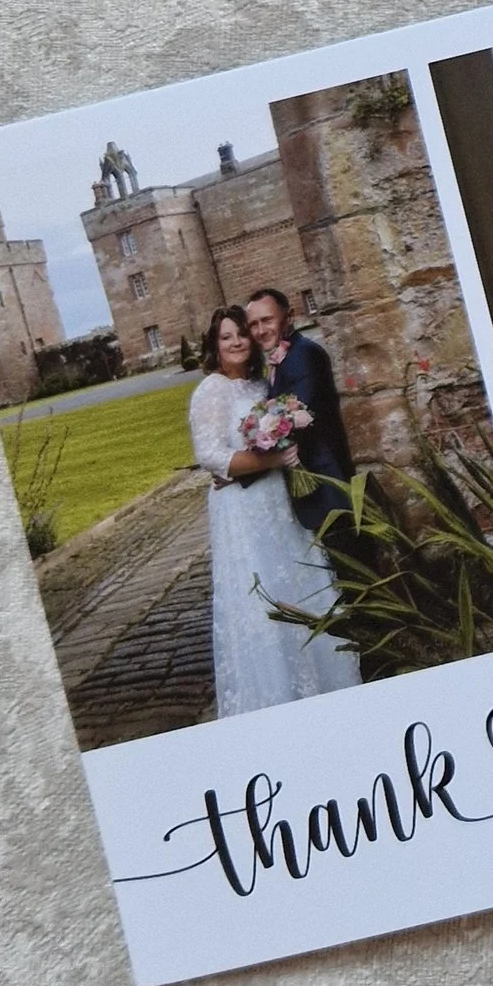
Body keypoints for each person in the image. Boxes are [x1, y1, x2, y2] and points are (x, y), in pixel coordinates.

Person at [187, 304, 362, 717]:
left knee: (298, 579)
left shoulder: (258, 385)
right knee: (259, 590)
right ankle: (275, 696)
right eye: (226, 336)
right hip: (242, 511)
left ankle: (323, 683)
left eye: (241, 334)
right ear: (214, 344)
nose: (236, 342)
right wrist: (270, 461)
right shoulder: (209, 391)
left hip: (279, 503)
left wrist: (280, 449)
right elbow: (210, 454)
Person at [243, 286, 352, 534]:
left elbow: (291, 426)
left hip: (327, 485)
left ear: (288, 316)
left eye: (267, 320)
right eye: (254, 324)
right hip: (317, 490)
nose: (260, 331)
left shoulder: (302, 355)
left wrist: (240, 473)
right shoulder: (283, 357)